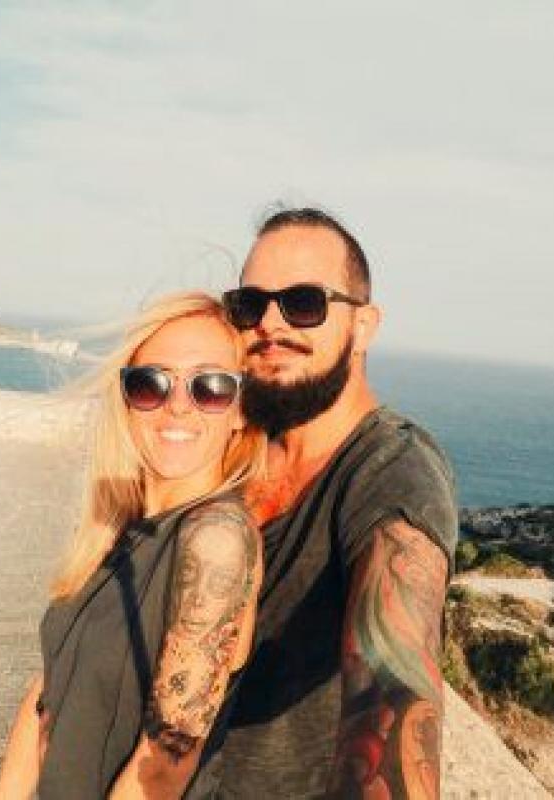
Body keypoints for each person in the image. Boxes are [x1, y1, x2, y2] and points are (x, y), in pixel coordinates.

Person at [208, 208, 458, 798]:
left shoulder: (392, 469)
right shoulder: (226, 445)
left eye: (304, 303)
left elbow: (394, 683)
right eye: (250, 304)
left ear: (364, 325)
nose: (269, 324)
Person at [0, 292, 267, 799]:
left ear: (241, 410)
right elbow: (49, 688)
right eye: (150, 383)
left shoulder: (217, 540)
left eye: (210, 387)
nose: (177, 405)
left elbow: (163, 766)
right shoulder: (120, 528)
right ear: (126, 399)